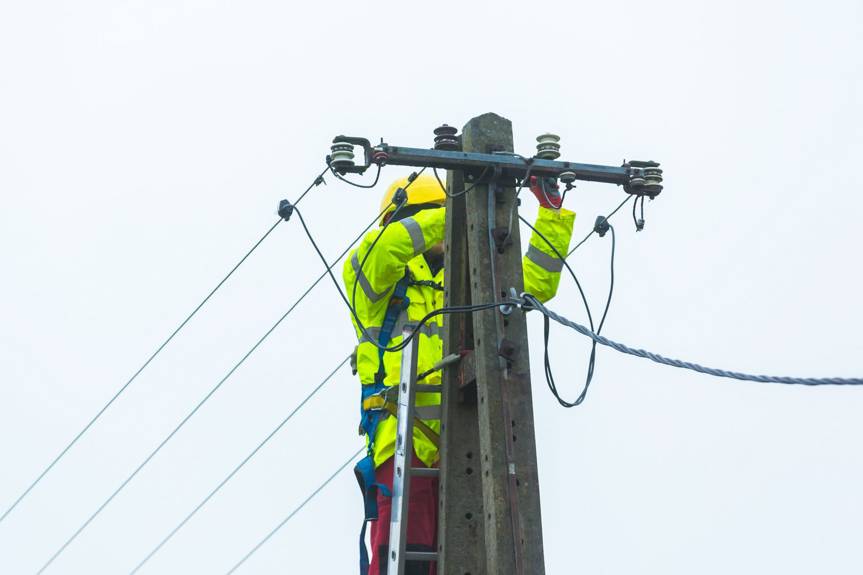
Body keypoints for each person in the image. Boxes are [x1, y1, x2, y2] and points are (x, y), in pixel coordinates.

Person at [344, 173, 575, 575]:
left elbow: (532, 283)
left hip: (465, 439)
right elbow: (388, 247)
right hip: (403, 443)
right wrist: (459, 211)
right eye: (428, 219)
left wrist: (551, 216)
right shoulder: (375, 277)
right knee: (403, 560)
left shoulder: (467, 280)